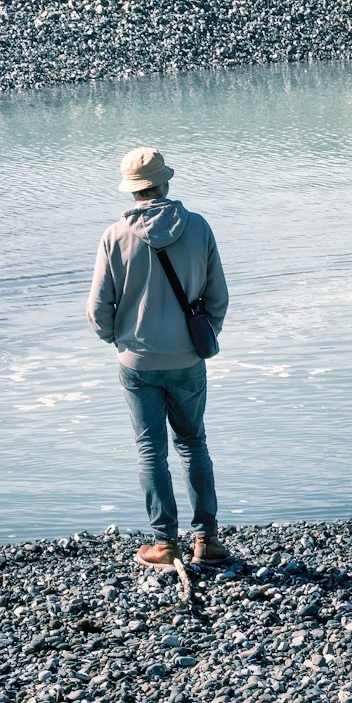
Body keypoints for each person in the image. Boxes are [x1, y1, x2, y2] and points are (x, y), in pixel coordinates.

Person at [86, 145, 231, 569]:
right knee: (193, 444)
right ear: (165, 182)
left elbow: (98, 310)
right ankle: (208, 540)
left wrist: (121, 341)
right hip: (188, 360)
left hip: (138, 363)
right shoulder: (199, 227)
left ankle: (164, 545)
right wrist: (203, 336)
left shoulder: (114, 236)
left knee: (150, 450)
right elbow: (218, 297)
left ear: (132, 191)